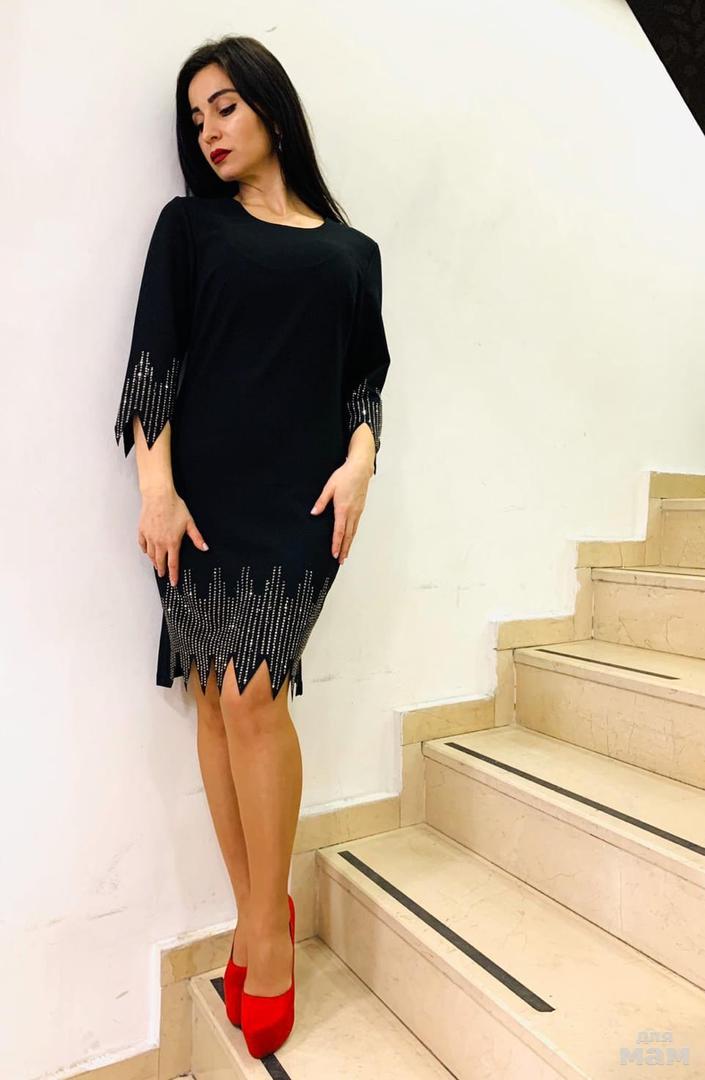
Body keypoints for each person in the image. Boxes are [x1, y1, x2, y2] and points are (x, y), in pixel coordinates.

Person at [113, 34, 391, 1059]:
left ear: (271, 104)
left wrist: (362, 461)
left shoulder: (352, 252)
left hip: (301, 503)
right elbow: (154, 360)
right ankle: (256, 916)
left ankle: (265, 934)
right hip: (201, 503)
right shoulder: (189, 227)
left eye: (225, 106)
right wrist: (155, 488)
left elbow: (365, 380)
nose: (209, 131)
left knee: (252, 696)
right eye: (196, 118)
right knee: (217, 699)